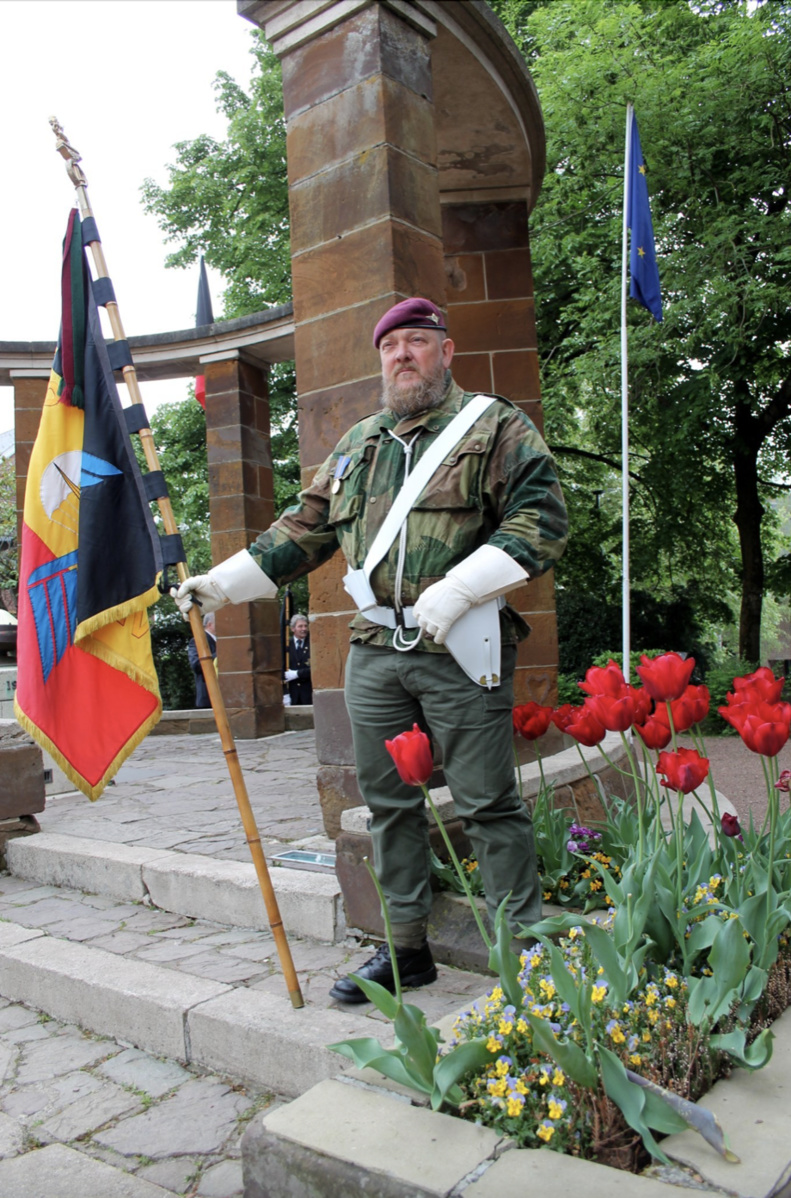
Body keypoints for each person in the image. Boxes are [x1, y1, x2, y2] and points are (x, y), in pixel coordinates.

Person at [174, 297, 568, 1003]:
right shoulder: (357, 444)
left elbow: (542, 520)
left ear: (445, 352)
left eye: (417, 342)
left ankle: (524, 953)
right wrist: (221, 586)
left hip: (462, 643)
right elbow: (303, 531)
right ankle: (404, 950)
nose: (402, 356)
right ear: (380, 360)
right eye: (391, 347)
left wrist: (459, 587)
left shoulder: (494, 425)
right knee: (388, 805)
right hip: (374, 648)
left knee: (486, 803)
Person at [187, 610, 217, 709]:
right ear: (210, 624)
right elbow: (196, 665)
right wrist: (220, 654)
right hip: (208, 696)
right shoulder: (198, 640)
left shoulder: (220, 641)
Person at [285, 612, 312, 705]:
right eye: (300, 626)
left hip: (309, 694)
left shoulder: (312, 643)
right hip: (292, 694)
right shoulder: (287, 644)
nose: (304, 629)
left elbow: (317, 669)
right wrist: (284, 693)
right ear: (293, 628)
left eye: (305, 626)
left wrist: (297, 674)